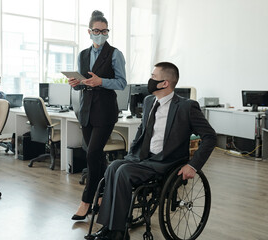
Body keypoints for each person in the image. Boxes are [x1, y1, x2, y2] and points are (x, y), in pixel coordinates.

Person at [92, 62, 217, 240]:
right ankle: (108, 227)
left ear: (164, 83)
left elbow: (210, 137)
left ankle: (118, 233)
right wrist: (130, 155)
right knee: (114, 167)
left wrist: (193, 166)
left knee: (123, 172)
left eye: (153, 77)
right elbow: (142, 131)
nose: (149, 80)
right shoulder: (149, 101)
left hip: (164, 162)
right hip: (141, 158)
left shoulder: (187, 107)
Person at [68, 10, 127, 220]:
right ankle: (104, 197)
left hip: (105, 111)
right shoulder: (82, 54)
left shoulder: (115, 54)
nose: (100, 34)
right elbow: (81, 85)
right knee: (98, 157)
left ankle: (86, 201)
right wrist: (76, 84)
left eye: (104, 31)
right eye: (96, 30)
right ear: (89, 31)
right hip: (86, 111)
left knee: (92, 154)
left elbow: (122, 83)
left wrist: (101, 81)